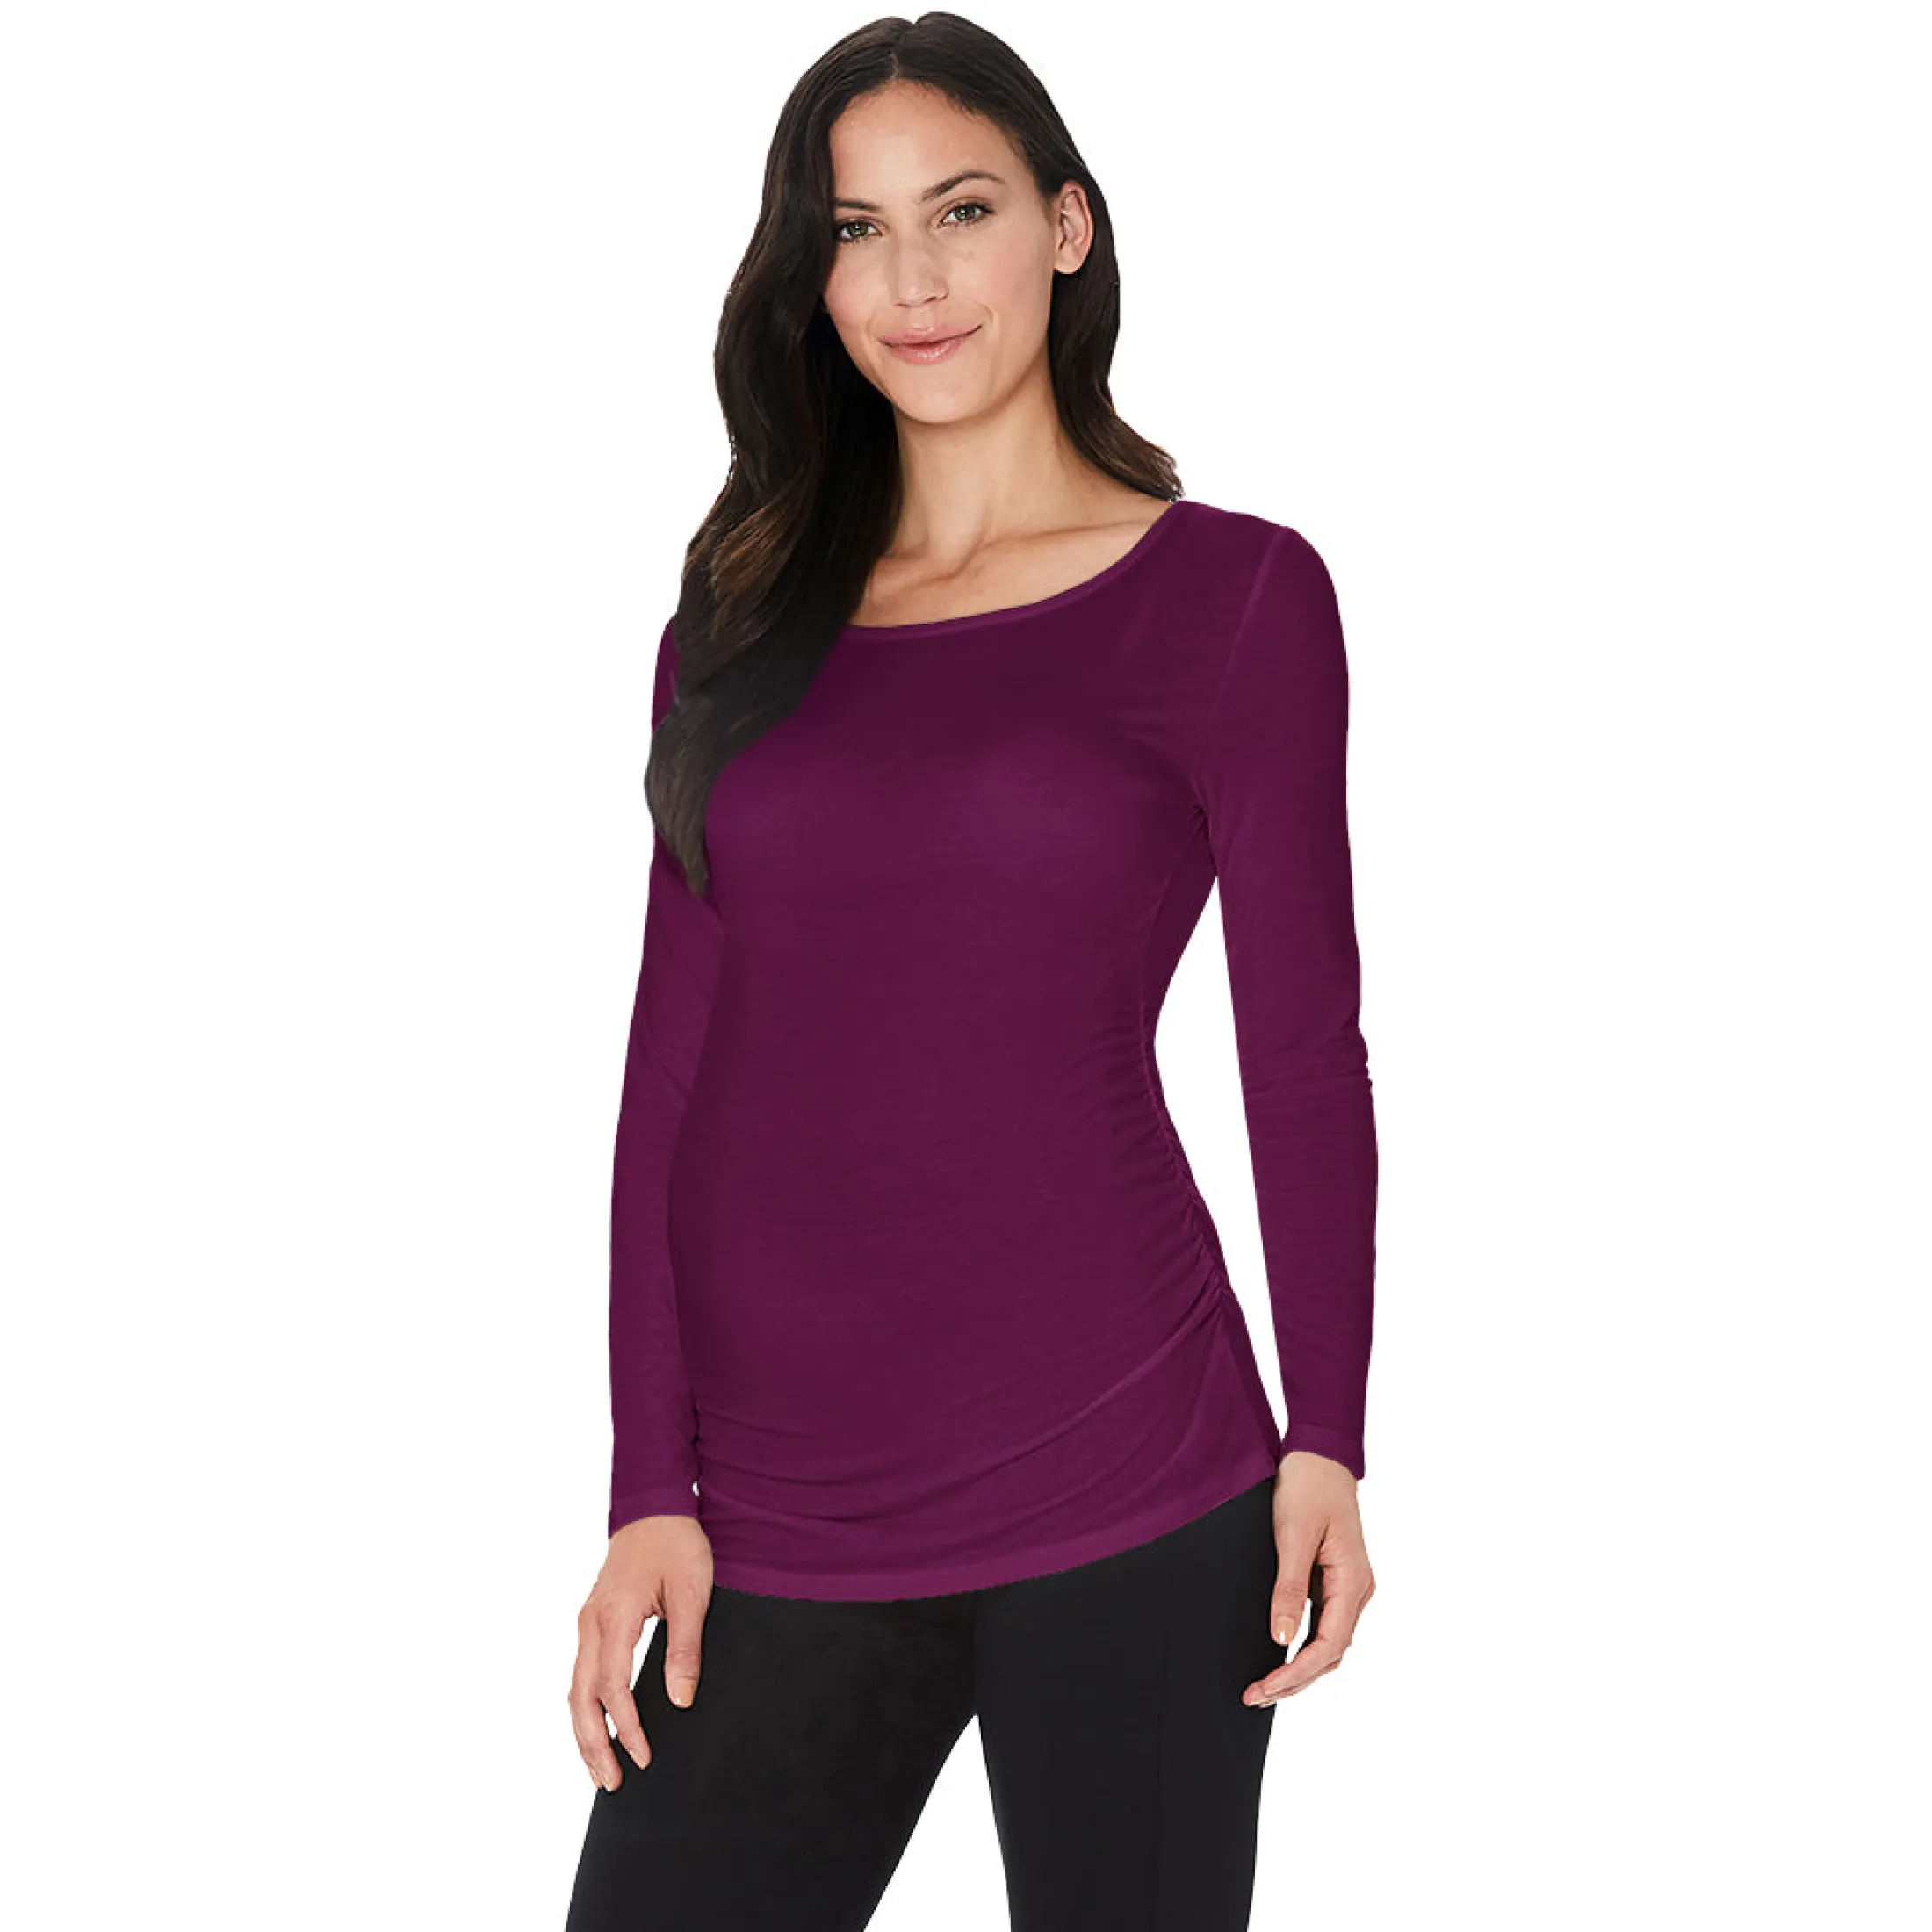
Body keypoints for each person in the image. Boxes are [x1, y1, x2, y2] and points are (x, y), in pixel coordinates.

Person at [564, 14, 1379, 1928]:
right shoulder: (734, 627)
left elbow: (1299, 1048)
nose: (913, 280)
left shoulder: (1235, 595)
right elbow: (669, 1073)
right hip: (775, 1509)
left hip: (1138, 1477)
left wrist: (1328, 1434)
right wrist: (644, 1482)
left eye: (962, 211)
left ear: (1066, 229)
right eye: (856, 230)